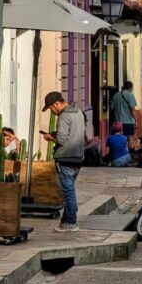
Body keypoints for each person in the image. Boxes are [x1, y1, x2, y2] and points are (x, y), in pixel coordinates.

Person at [40, 91, 85, 233]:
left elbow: (62, 140)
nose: (52, 112)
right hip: (78, 157)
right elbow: (75, 134)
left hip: (65, 158)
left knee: (68, 192)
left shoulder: (64, 116)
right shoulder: (78, 112)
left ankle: (71, 222)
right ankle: (65, 222)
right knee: (69, 190)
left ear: (56, 104)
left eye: (51, 109)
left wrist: (49, 137)